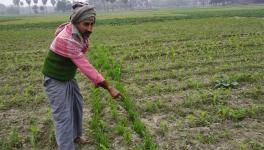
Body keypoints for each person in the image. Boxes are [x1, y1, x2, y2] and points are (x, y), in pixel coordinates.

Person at [41, 2, 121, 150]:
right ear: (76, 22)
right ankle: (66, 147)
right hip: (54, 79)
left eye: (92, 24)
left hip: (67, 76)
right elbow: (85, 66)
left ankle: (76, 136)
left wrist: (96, 80)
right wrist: (108, 87)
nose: (90, 28)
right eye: (86, 24)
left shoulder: (77, 32)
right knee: (63, 116)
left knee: (77, 104)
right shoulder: (68, 39)